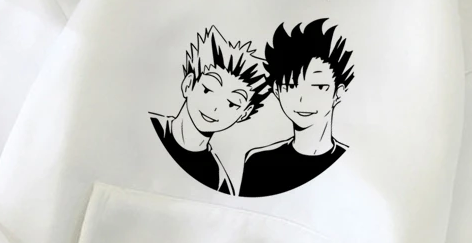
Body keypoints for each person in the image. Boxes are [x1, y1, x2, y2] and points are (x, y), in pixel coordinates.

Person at [240, 19, 354, 197]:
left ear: (338, 93)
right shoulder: (259, 161)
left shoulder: (350, 164)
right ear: (276, 90)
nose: (303, 99)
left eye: (318, 87)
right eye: (291, 86)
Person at [150, 26, 269, 194]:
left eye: (232, 103)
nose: (215, 108)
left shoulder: (218, 181)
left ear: (244, 113)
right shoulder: (150, 127)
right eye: (208, 89)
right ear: (188, 84)